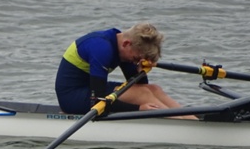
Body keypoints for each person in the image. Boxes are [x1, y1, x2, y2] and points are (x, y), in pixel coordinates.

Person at [55, 22, 195, 117]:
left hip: (89, 89)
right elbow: (98, 101)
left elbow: (141, 86)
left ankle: (191, 120)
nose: (135, 62)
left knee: (154, 89)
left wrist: (140, 71)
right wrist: (138, 109)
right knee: (142, 95)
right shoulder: (101, 48)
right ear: (127, 44)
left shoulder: (123, 46)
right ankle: (183, 126)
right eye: (136, 58)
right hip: (71, 98)